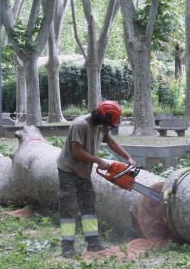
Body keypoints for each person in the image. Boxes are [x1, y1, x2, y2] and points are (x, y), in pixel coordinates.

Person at [56, 100, 135, 257]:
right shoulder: (80, 125)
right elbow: (76, 152)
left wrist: (128, 157)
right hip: (68, 169)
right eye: (109, 123)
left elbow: (110, 141)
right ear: (102, 117)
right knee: (68, 205)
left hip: (84, 170)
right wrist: (99, 161)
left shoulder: (102, 125)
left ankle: (93, 242)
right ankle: (67, 246)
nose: (109, 127)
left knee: (88, 204)